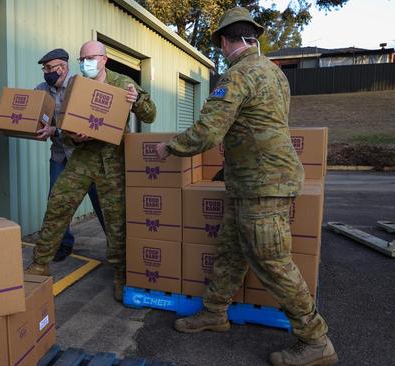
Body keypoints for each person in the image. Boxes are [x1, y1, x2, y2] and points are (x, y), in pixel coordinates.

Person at [154, 8, 338, 366]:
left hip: (261, 184)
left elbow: (208, 132)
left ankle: (316, 340)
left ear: (225, 41)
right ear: (252, 37)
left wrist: (170, 146)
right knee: (231, 250)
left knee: (272, 261)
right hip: (253, 182)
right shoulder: (273, 72)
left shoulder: (238, 74)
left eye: (220, 45)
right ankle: (214, 312)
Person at [25, 41, 156, 302]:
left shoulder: (123, 82)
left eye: (90, 57)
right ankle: (40, 263)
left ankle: (122, 274)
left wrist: (138, 99)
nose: (85, 62)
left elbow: (150, 115)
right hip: (82, 159)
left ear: (104, 59)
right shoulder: (76, 85)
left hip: (112, 162)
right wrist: (76, 137)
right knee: (58, 205)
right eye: (82, 58)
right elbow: (64, 125)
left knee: (115, 220)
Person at [34, 48, 106, 262]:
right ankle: (62, 244)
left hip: (84, 156)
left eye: (49, 68)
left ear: (63, 68)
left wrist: (54, 130)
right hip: (59, 155)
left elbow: (83, 122)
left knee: (100, 201)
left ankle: (116, 246)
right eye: (44, 69)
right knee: (57, 201)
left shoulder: (80, 86)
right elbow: (37, 117)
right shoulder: (41, 90)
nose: (46, 72)